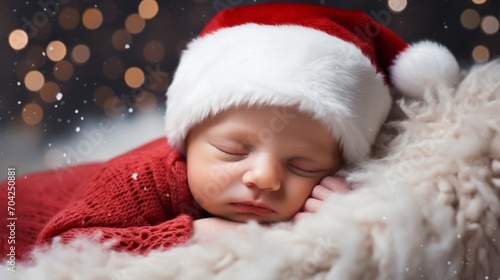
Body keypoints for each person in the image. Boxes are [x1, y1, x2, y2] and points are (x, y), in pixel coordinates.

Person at [0, 2, 457, 261]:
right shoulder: (143, 178)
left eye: (302, 165)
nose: (263, 178)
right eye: (233, 150)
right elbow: (62, 246)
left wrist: (342, 214)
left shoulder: (316, 184)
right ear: (187, 138)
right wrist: (193, 235)